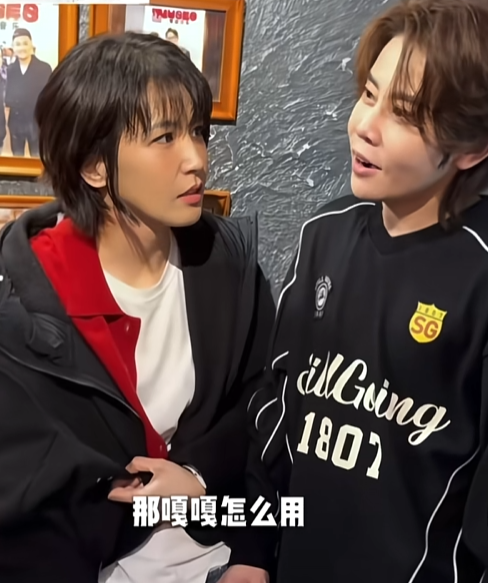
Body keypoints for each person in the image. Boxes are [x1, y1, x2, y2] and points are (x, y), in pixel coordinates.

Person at [0, 32, 273, 583]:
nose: (197, 160)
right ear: (93, 166)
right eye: (165, 137)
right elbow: (12, 520)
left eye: (199, 132)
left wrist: (251, 552)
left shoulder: (228, 265)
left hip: (223, 546)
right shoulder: (17, 309)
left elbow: (264, 416)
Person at [246, 0, 488, 581]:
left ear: (471, 147)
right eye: (368, 94)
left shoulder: (478, 272)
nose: (364, 126)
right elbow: (277, 411)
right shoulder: (323, 234)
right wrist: (251, 552)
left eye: (403, 113)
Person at [5, 27, 52, 157]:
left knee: (37, 156)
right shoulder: (9, 70)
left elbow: (49, 96)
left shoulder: (44, 68)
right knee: (17, 156)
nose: (22, 48)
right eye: (18, 44)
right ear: (13, 47)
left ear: (31, 45)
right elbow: (7, 97)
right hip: (16, 121)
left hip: (36, 121)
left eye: (25, 43)